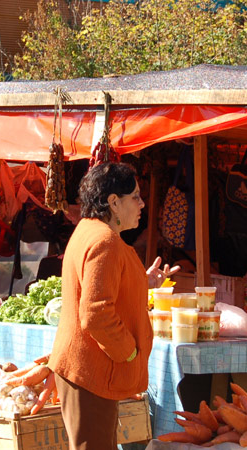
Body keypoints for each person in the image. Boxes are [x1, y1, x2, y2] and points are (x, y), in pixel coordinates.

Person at [48, 162, 180, 450]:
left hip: (90, 371)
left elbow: (105, 288)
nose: (142, 203)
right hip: (90, 372)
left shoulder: (92, 231)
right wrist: (128, 353)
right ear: (114, 202)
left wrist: (142, 282)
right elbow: (96, 314)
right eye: (136, 196)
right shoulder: (104, 241)